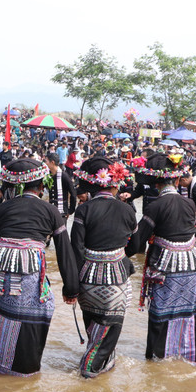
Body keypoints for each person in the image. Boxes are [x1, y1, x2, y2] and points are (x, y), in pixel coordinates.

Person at [0, 159, 78, 376]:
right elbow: (65, 251)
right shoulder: (51, 211)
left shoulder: (2, 209)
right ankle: (18, 372)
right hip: (27, 273)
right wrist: (71, 289)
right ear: (42, 186)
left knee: (3, 316)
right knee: (36, 315)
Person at [126, 153, 196, 361]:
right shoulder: (189, 204)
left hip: (167, 269)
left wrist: (121, 251)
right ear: (177, 180)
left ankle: (157, 360)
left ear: (156, 184)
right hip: (193, 267)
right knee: (193, 313)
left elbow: (137, 241)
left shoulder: (155, 206)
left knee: (161, 315)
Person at [71, 158, 137, 376]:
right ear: (114, 184)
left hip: (87, 281)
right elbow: (135, 246)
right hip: (114, 281)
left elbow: (76, 249)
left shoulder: (83, 210)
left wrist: (72, 285)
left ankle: (97, 367)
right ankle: (88, 371)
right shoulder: (127, 210)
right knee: (107, 336)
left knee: (94, 333)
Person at [45, 153, 77, 219]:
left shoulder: (64, 176)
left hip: (62, 211)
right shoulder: (48, 176)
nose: (45, 163)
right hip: (51, 210)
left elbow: (73, 193)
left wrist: (70, 210)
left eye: (46, 161)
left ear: (52, 162)